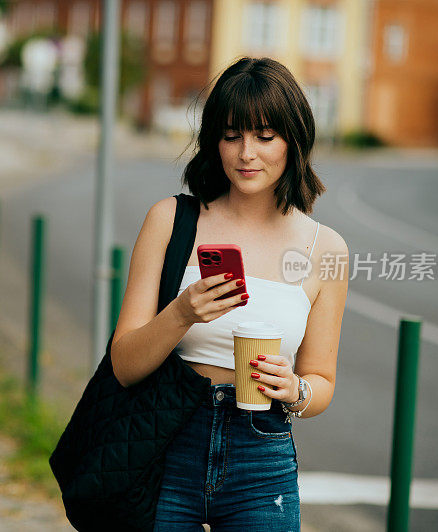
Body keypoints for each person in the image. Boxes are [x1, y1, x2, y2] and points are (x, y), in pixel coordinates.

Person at [110, 57, 349, 530]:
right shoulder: (170, 221)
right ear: (214, 141)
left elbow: (321, 380)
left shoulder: (327, 249)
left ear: (293, 140)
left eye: (265, 136)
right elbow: (124, 364)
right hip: (165, 442)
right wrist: (181, 313)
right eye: (232, 135)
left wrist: (295, 389)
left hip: (261, 459)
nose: (246, 154)